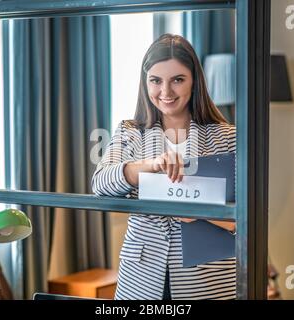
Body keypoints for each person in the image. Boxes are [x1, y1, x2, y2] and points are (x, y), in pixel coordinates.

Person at [91, 34, 236, 300]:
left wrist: (199, 213)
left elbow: (248, 217)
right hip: (142, 278)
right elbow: (100, 185)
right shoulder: (129, 132)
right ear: (145, 83)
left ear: (194, 81)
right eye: (156, 81)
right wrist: (148, 166)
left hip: (207, 281)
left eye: (177, 80)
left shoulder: (227, 137)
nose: (165, 92)